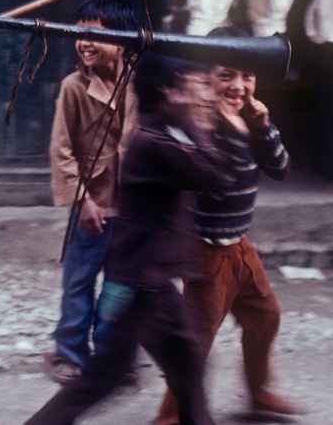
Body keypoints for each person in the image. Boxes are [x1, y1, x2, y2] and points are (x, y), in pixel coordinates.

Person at [24, 53, 235, 425]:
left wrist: (195, 122)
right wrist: (208, 126)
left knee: (172, 368)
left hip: (146, 281)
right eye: (192, 86)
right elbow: (216, 176)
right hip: (144, 285)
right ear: (169, 92)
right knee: (118, 375)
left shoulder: (164, 135)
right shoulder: (155, 143)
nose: (202, 95)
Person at [153, 26, 303, 424]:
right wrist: (239, 131)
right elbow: (222, 181)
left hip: (239, 245)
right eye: (226, 76)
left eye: (247, 76)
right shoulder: (201, 124)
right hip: (204, 252)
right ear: (206, 78)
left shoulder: (249, 118)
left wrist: (264, 125)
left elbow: (281, 168)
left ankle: (259, 393)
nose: (239, 86)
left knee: (266, 316)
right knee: (196, 342)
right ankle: (170, 415)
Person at [43, 0, 138, 384]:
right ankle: (69, 353)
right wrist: (82, 201)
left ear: (122, 40)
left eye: (94, 35)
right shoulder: (73, 88)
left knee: (121, 288)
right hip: (91, 204)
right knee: (79, 282)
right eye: (79, 34)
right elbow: (61, 150)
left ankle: (113, 356)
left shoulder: (141, 85)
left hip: (131, 207)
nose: (83, 42)